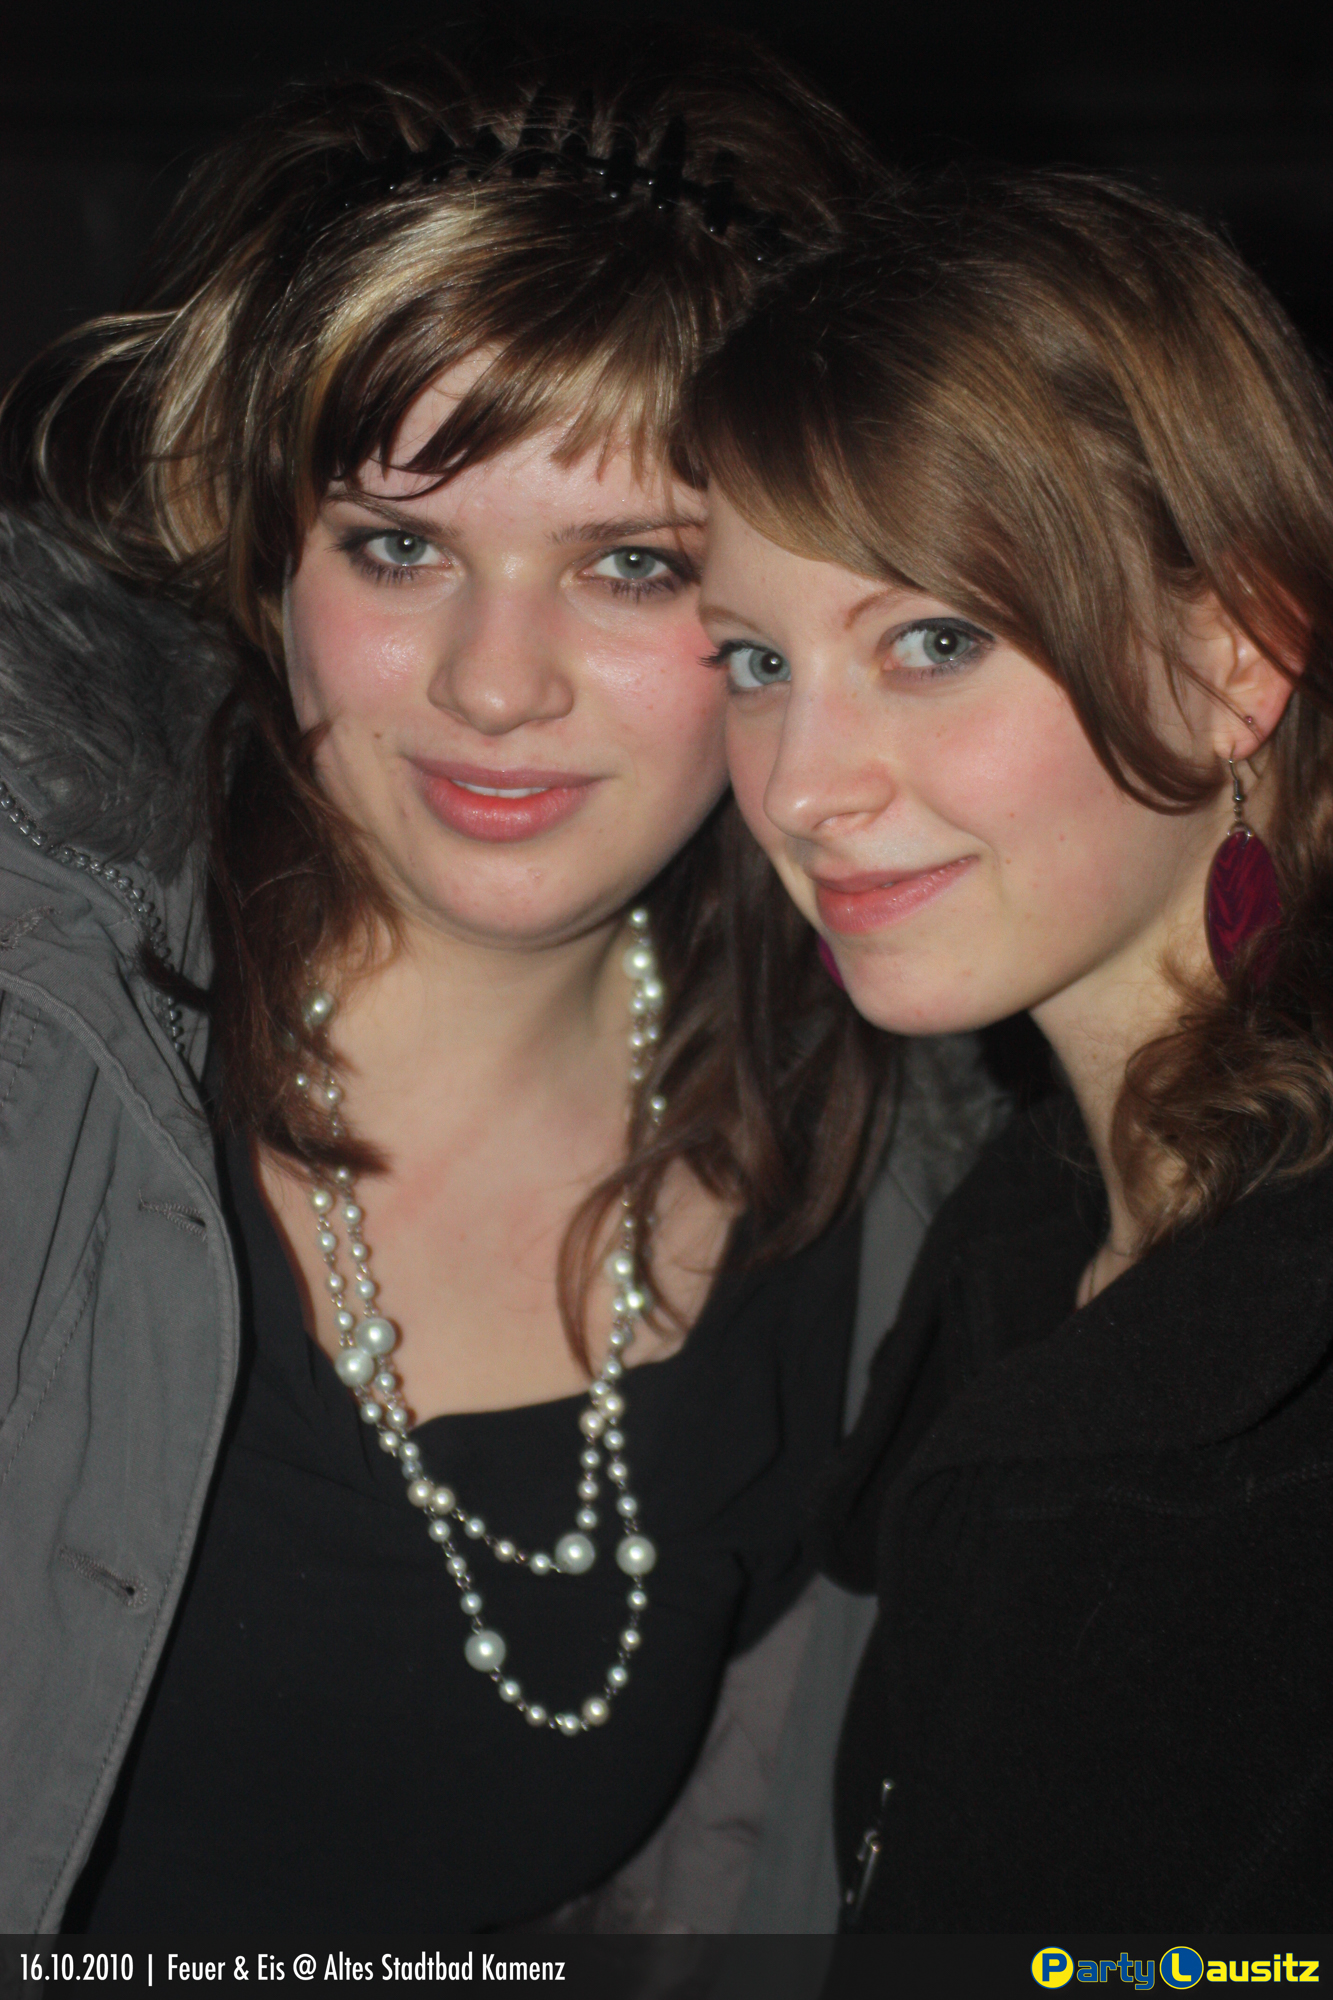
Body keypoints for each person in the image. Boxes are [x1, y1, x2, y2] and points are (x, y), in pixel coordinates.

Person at [0, 34, 912, 1935]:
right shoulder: (38, 1065)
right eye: (399, 544)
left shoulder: (896, 1191)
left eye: (632, 565)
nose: (497, 683)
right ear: (264, 560)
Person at [690, 170, 1333, 1929]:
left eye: (931, 641)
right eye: (752, 660)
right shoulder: (1025, 1207)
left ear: (1235, 654)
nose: (800, 788)